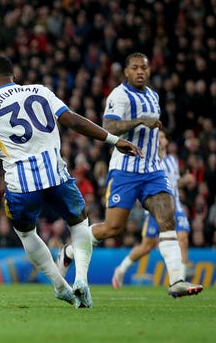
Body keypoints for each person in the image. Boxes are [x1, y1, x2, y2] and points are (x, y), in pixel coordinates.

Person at [0, 56, 142, 309]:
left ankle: (60, 285)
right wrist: (114, 140)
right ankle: (81, 278)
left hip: (21, 186)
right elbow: (73, 120)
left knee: (26, 233)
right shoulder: (40, 91)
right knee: (79, 222)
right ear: (13, 76)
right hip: (57, 176)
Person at [77, 52, 202, 298]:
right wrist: (139, 121)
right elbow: (109, 127)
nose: (140, 72)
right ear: (126, 72)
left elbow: (152, 129)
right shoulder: (119, 95)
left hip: (153, 170)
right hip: (124, 170)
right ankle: (72, 251)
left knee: (168, 219)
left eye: (143, 67)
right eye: (134, 68)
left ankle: (176, 281)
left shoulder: (154, 96)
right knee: (113, 228)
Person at [57, 129, 194, 287]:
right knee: (118, 231)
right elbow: (110, 125)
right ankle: (115, 267)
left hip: (174, 205)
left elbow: (174, 183)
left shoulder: (172, 161)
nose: (159, 140)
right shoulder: (141, 158)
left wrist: (185, 181)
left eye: (161, 137)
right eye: (158, 136)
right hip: (144, 201)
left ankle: (178, 280)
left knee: (182, 239)